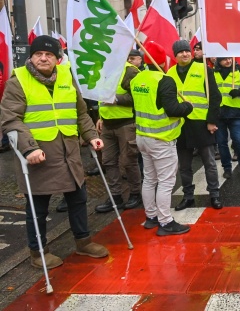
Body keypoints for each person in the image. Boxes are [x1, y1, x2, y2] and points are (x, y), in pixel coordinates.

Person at [0, 35, 109, 269]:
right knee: (38, 207)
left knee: (78, 198)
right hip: (39, 154)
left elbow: (80, 113)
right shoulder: (18, 80)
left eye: (49, 54)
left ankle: (83, 241)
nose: (43, 58)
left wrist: (91, 136)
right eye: (38, 54)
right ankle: (38, 252)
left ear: (57, 59)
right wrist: (29, 149)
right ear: (31, 57)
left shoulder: (66, 77)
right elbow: (10, 119)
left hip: (69, 152)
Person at [131, 41, 194, 236]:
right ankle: (165, 222)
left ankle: (151, 217)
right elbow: (173, 109)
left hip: (142, 136)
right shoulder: (165, 80)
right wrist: (188, 107)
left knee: (149, 179)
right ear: (163, 60)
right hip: (161, 138)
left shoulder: (137, 78)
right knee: (166, 182)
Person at [166, 40, 223, 210]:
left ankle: (215, 194)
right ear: (175, 56)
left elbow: (215, 97)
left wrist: (212, 121)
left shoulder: (204, 69)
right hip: (181, 125)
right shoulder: (169, 73)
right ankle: (188, 196)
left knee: (210, 163)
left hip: (201, 123)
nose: (185, 54)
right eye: (181, 52)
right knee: (184, 166)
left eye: (187, 51)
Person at [94, 55, 142, 213]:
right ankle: (116, 196)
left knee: (129, 161)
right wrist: (100, 117)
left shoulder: (130, 71)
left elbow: (138, 97)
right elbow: (100, 96)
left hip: (126, 124)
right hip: (107, 124)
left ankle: (136, 193)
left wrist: (116, 99)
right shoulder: (100, 70)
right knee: (108, 161)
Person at [214, 57, 240, 179]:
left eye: (229, 58)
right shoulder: (213, 73)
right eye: (224, 59)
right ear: (218, 61)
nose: (228, 61)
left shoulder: (239, 70)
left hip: (235, 113)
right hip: (219, 114)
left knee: (239, 141)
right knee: (222, 143)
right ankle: (227, 168)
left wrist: (239, 91)